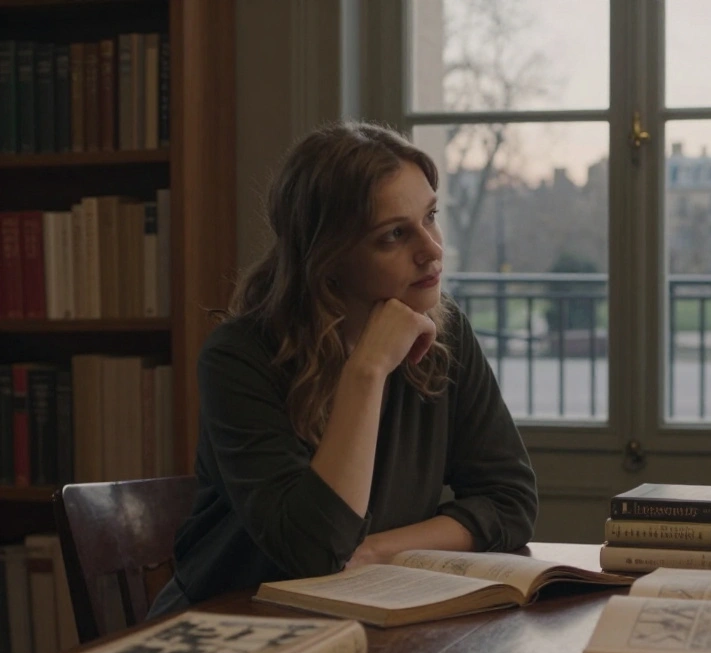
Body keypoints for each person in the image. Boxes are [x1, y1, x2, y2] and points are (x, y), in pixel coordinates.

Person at [148, 120, 538, 616]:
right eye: (395, 235)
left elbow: (510, 500)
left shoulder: (447, 333)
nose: (432, 248)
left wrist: (375, 550)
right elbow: (315, 552)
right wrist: (368, 369)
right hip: (233, 624)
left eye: (431, 216)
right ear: (328, 259)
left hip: (364, 613)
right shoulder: (239, 358)